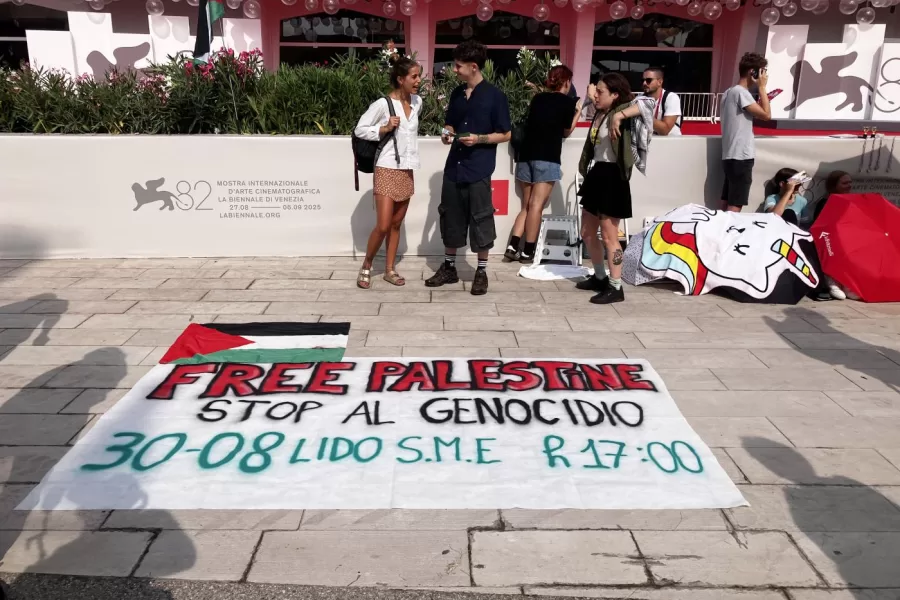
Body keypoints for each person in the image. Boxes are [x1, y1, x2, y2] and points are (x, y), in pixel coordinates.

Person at [426, 40, 512, 296]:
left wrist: (479, 139)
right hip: (454, 167)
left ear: (473, 67)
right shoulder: (456, 94)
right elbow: (450, 124)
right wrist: (445, 132)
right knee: (450, 218)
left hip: (479, 169)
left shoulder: (496, 96)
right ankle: (449, 268)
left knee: (481, 220)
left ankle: (481, 271)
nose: (454, 70)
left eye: (458, 66)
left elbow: (505, 134)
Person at [575, 72, 655, 305]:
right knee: (587, 233)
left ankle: (616, 286)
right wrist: (595, 100)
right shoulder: (600, 113)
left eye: (601, 92)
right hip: (597, 173)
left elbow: (649, 103)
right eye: (596, 91)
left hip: (613, 176)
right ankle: (600, 277)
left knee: (610, 236)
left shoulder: (624, 113)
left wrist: (619, 115)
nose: (596, 95)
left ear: (615, 94)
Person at [353, 54, 422, 289]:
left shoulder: (417, 103)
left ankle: (390, 270)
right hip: (386, 167)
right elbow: (360, 129)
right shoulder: (384, 104)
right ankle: (367, 265)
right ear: (400, 79)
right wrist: (383, 128)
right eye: (414, 76)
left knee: (395, 224)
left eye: (419, 75)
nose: (418, 80)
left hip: (407, 169)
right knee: (382, 225)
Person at [504, 64, 581, 263]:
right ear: (567, 82)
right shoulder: (567, 102)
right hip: (547, 157)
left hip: (526, 156)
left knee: (527, 205)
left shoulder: (538, 98)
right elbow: (566, 131)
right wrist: (578, 112)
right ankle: (528, 251)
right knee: (537, 205)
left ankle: (513, 245)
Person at [720, 52, 772, 213]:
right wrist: (762, 88)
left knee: (728, 200)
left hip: (730, 155)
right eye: (762, 71)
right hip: (741, 156)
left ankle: (719, 231)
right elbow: (766, 115)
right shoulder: (740, 92)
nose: (764, 75)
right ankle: (727, 235)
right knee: (736, 203)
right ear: (753, 72)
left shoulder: (729, 92)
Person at [641, 68, 682, 136]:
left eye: (648, 80)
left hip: (671, 143)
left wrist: (642, 113)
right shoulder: (640, 97)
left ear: (659, 82)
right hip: (650, 142)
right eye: (642, 80)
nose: (644, 83)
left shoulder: (671, 98)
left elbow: (664, 131)